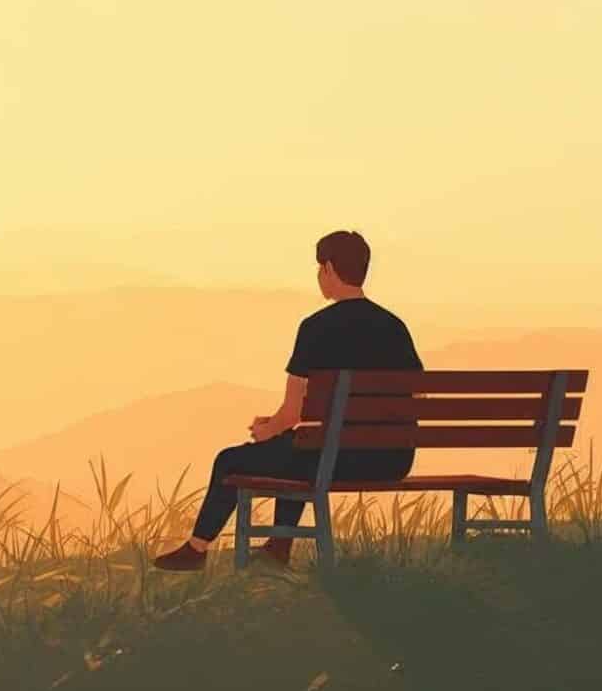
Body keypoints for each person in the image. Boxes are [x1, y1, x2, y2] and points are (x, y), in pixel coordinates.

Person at [152, 230, 421, 571]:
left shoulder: (316, 327)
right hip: (391, 460)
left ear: (328, 268)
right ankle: (279, 545)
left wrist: (268, 429)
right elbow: (418, 393)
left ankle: (197, 548)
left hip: (334, 459)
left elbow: (292, 413)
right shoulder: (394, 327)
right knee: (297, 445)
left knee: (232, 459)